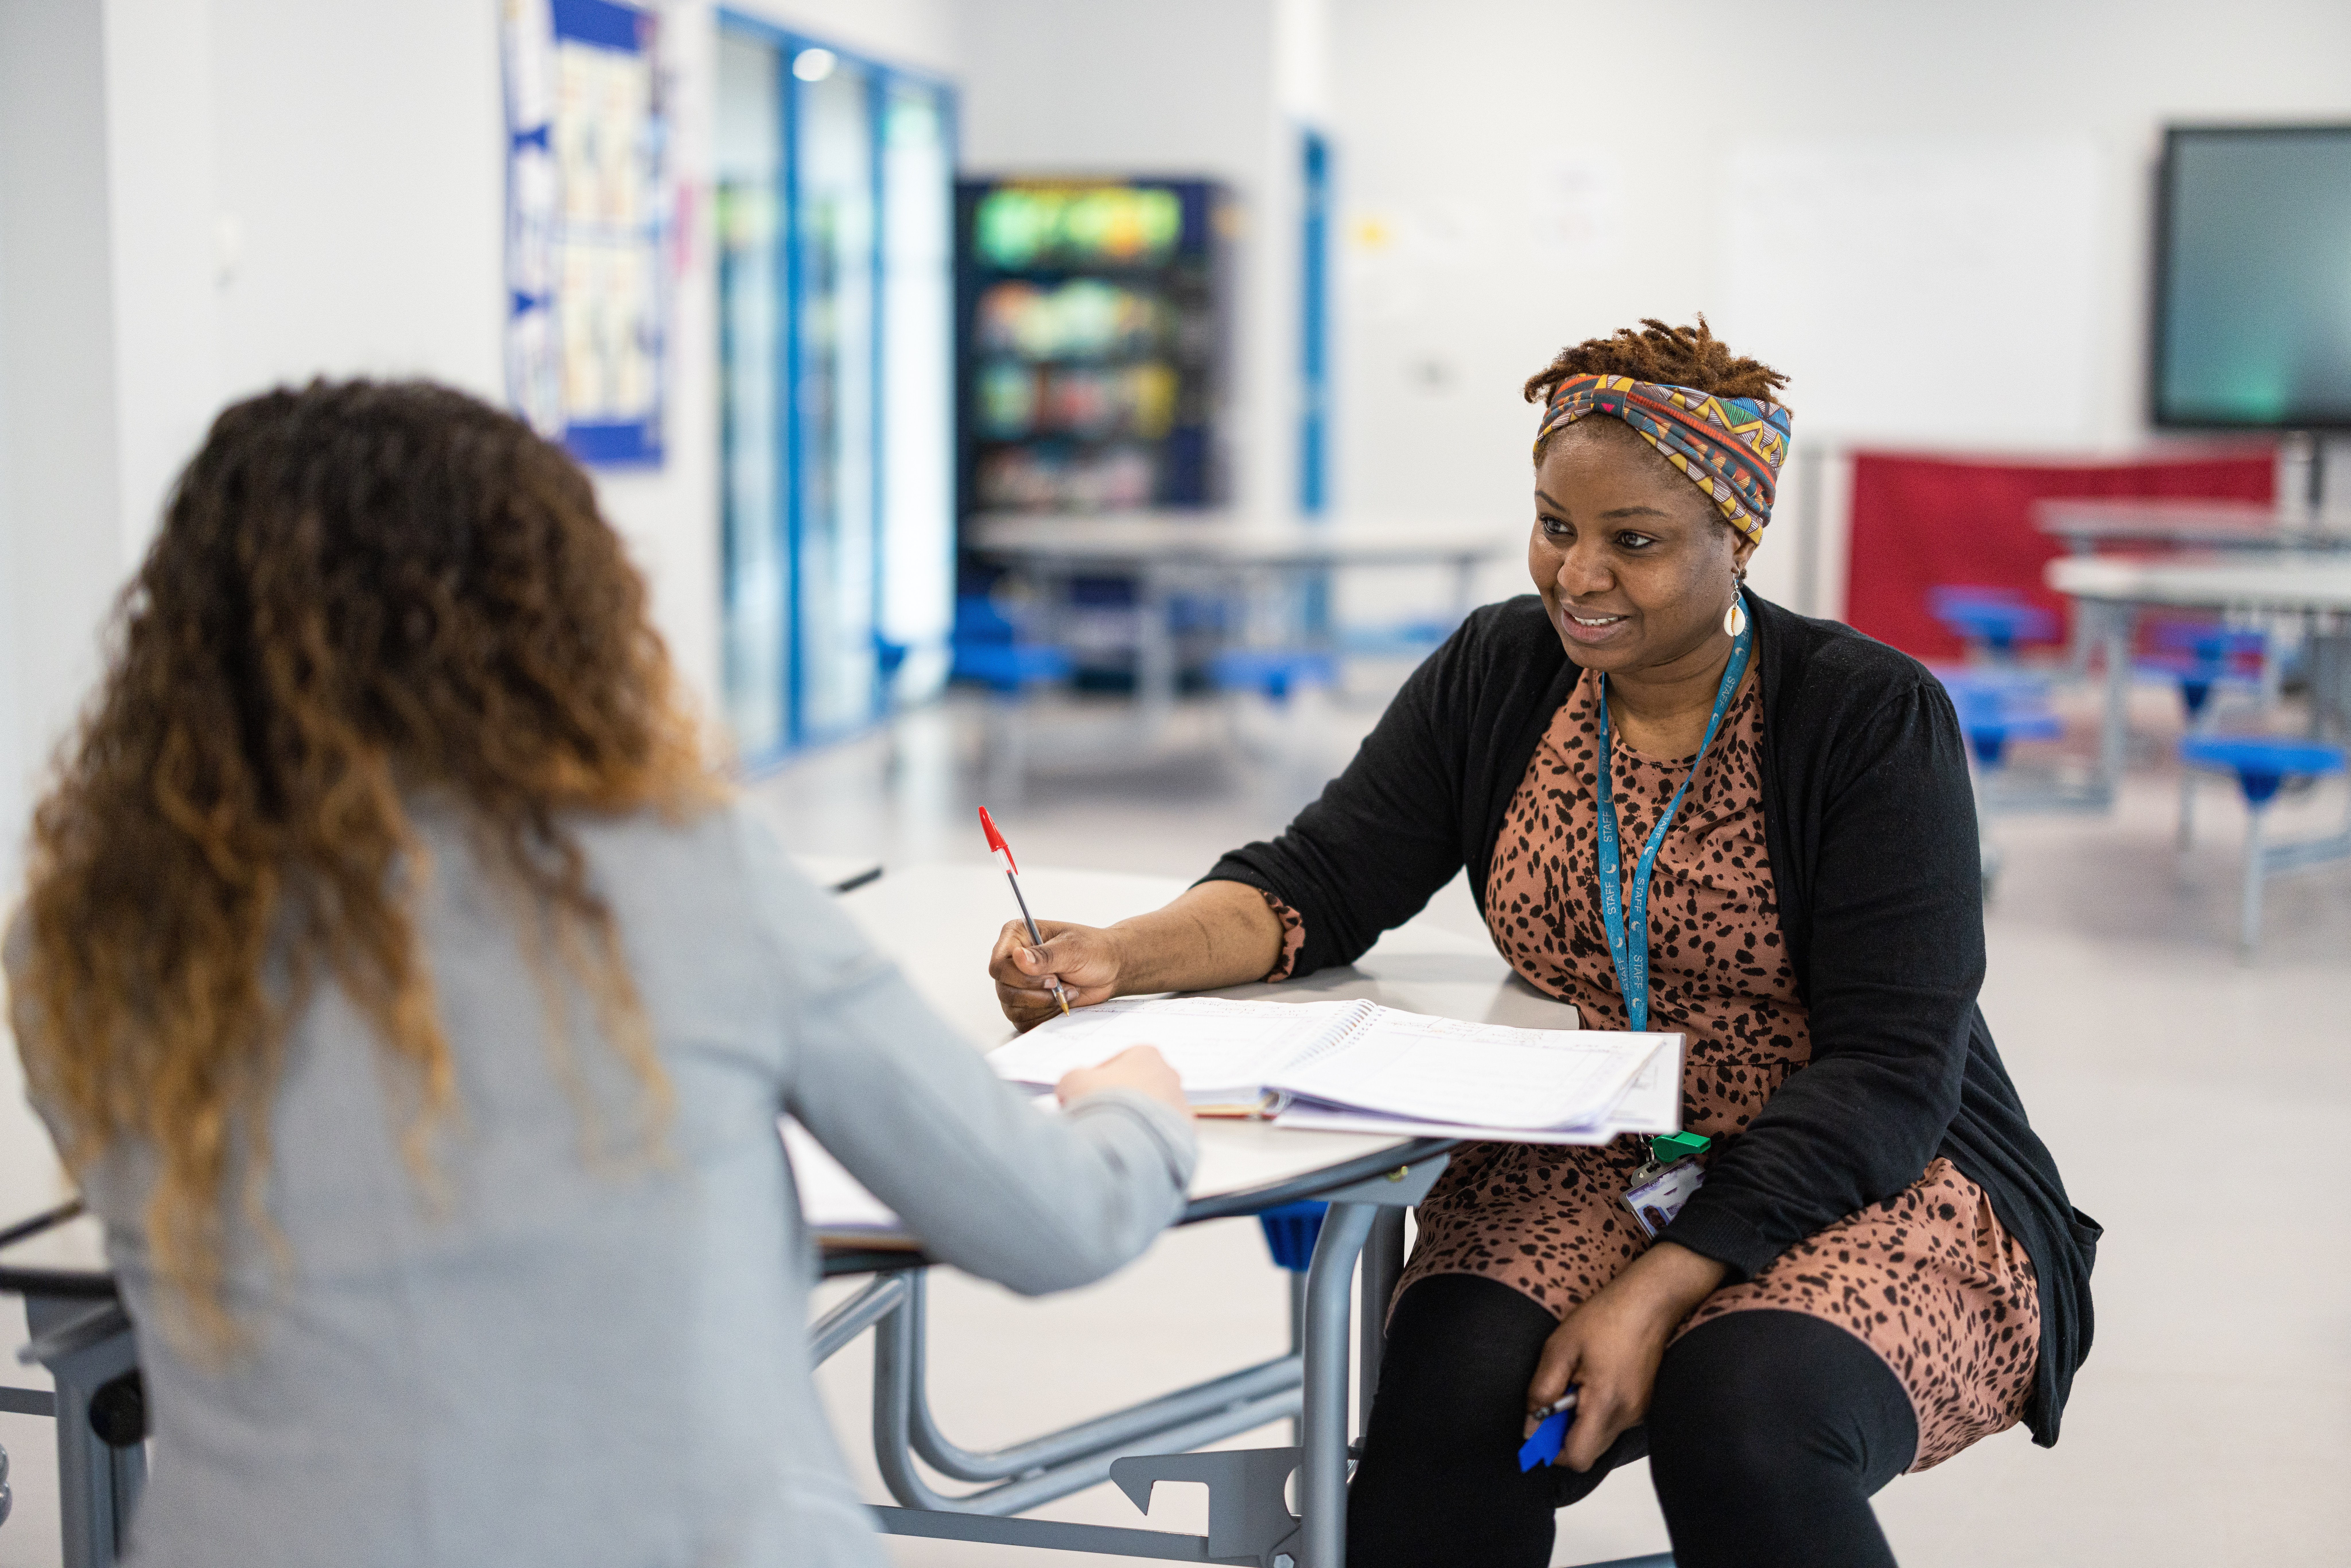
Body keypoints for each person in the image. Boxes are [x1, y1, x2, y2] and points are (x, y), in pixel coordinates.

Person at [6, 380, 1194, 1568]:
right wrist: (1130, 1105)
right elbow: (1054, 1222)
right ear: (549, 608)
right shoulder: (676, 874)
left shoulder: (86, 938)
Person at [990, 320, 2100, 1568]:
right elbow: (1320, 880)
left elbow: (1892, 1069)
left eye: (1634, 542)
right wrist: (1115, 957)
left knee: (1740, 1413)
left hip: (1866, 1169)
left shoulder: (1867, 715)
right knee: (1450, 1402)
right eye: (1554, 526)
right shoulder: (1501, 671)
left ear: (1736, 538)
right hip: (1598, 1147)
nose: (1578, 576)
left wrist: (1659, 1288)